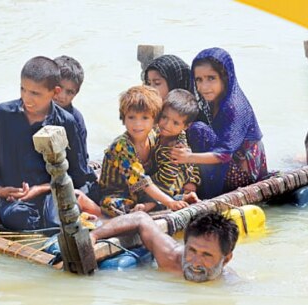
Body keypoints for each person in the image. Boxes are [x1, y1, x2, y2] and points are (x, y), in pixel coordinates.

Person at [0, 56, 96, 231]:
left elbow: (76, 174)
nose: (27, 98)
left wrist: (39, 189)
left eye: (35, 93)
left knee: (55, 223)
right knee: (16, 218)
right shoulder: (3, 114)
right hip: (16, 198)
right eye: (23, 89)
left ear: (54, 92)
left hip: (51, 192)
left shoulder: (67, 121)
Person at [171, 48, 268, 199]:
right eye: (199, 80)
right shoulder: (213, 101)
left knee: (198, 131)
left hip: (244, 174)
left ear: (225, 77)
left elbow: (224, 154)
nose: (204, 87)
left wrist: (189, 157)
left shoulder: (233, 106)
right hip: (229, 162)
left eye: (211, 78)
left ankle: (209, 195)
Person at [98, 85, 190, 216]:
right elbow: (141, 182)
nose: (137, 124)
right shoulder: (122, 146)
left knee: (175, 173)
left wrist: (181, 148)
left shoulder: (153, 135)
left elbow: (180, 133)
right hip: (121, 193)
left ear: (155, 120)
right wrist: (170, 202)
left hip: (143, 191)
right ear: (123, 118)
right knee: (112, 205)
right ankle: (155, 204)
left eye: (145, 118)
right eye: (131, 117)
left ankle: (152, 203)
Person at [89, 211, 239, 282]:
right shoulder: (171, 256)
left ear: (226, 260)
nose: (195, 261)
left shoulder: (229, 284)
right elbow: (141, 218)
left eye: (206, 255)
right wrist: (93, 236)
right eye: (192, 250)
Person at [53, 55, 102, 216]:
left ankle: (98, 212)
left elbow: (79, 166)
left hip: (72, 179)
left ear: (77, 93)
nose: (62, 96)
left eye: (70, 92)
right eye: (59, 88)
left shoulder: (74, 119)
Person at [151, 89, 201, 203]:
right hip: (179, 174)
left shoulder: (173, 150)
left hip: (172, 182)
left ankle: (182, 198)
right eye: (164, 117)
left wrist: (140, 183)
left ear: (186, 126)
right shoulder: (160, 130)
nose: (166, 125)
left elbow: (165, 181)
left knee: (146, 192)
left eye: (175, 123)